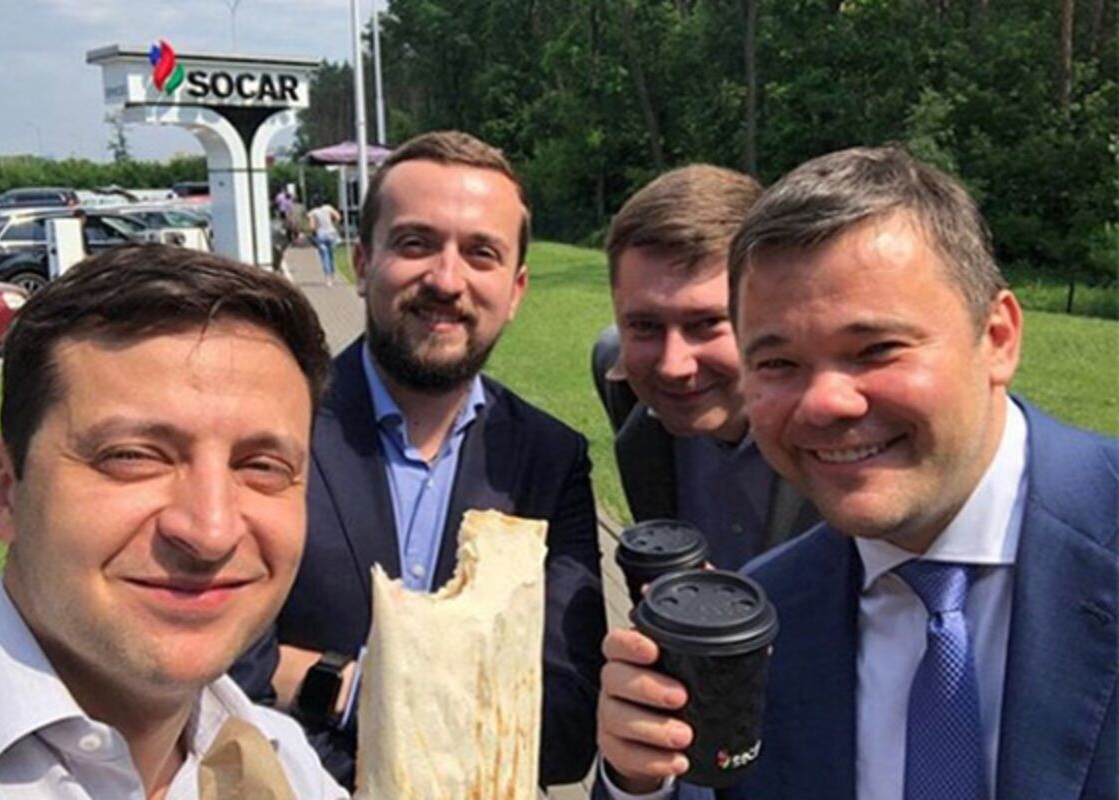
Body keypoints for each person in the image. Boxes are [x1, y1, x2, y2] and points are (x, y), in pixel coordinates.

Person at [595, 147, 1117, 799]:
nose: (825, 403)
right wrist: (641, 779)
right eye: (779, 363)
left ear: (998, 337)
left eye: (875, 350)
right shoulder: (775, 603)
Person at [232, 130, 608, 789]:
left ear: (516, 290)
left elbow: (566, 730)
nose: (446, 280)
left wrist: (322, 680)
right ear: (361, 263)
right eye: (415, 244)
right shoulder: (268, 428)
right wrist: (358, 695)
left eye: (481, 253)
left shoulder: (549, 460)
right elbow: (213, 665)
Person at [0, 244, 348, 799]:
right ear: (2, 491)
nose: (210, 531)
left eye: (262, 466)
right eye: (132, 456)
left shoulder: (286, 764)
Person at [592, 165, 819, 569]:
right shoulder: (631, 410)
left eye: (706, 323)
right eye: (644, 326)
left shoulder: (844, 434)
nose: (672, 366)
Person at [308, 197, 342, 285]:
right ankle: (333, 273)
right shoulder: (328, 208)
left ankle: (328, 278)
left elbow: (312, 227)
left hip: (321, 235)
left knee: (324, 256)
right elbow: (338, 217)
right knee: (331, 255)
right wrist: (333, 224)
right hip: (331, 233)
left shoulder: (312, 212)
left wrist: (313, 234)